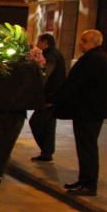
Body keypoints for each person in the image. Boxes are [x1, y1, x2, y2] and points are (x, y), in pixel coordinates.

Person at [53, 29, 107, 196]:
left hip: (89, 112)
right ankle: (84, 180)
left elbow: (74, 84)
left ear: (95, 42)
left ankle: (88, 184)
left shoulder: (93, 60)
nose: (80, 44)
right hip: (89, 111)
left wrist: (55, 99)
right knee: (85, 147)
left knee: (87, 148)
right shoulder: (97, 58)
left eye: (84, 41)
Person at [28, 33, 66, 163]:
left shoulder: (51, 55)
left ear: (45, 42)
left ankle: (46, 150)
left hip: (50, 96)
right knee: (49, 125)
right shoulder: (54, 53)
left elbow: (45, 74)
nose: (37, 44)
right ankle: (47, 152)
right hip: (54, 95)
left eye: (39, 41)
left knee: (36, 122)